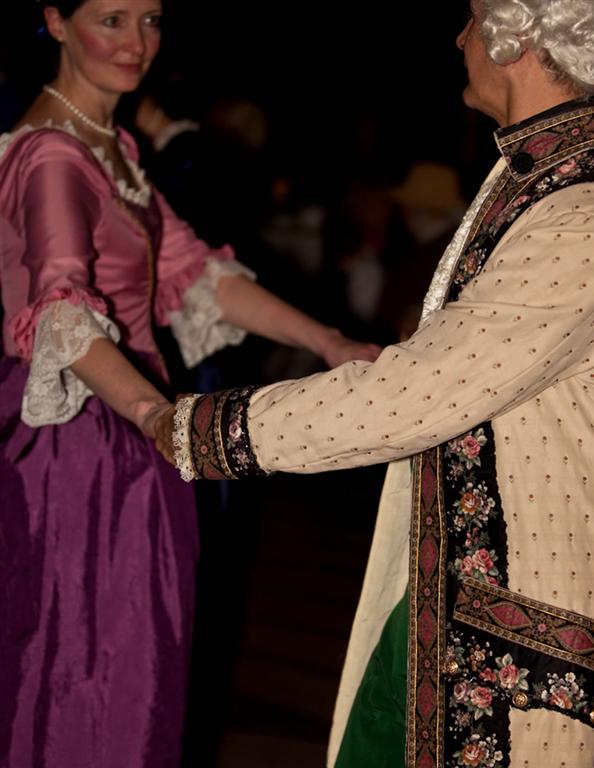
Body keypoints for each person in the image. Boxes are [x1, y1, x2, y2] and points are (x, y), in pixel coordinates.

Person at [163, 1, 594, 765]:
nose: (459, 37)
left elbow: (423, 389)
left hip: (526, 633)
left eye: (472, 18)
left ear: (518, 37)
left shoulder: (578, 205)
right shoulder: (538, 173)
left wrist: (194, 431)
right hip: (457, 604)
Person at [0, 2, 381, 766]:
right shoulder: (50, 155)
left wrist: (328, 341)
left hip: (127, 429)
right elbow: (60, 312)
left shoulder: (109, 144)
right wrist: (154, 416)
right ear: (57, 21)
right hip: (76, 439)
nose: (137, 43)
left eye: (150, 20)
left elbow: (195, 273)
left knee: (130, 663)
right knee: (81, 672)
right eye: (112, 19)